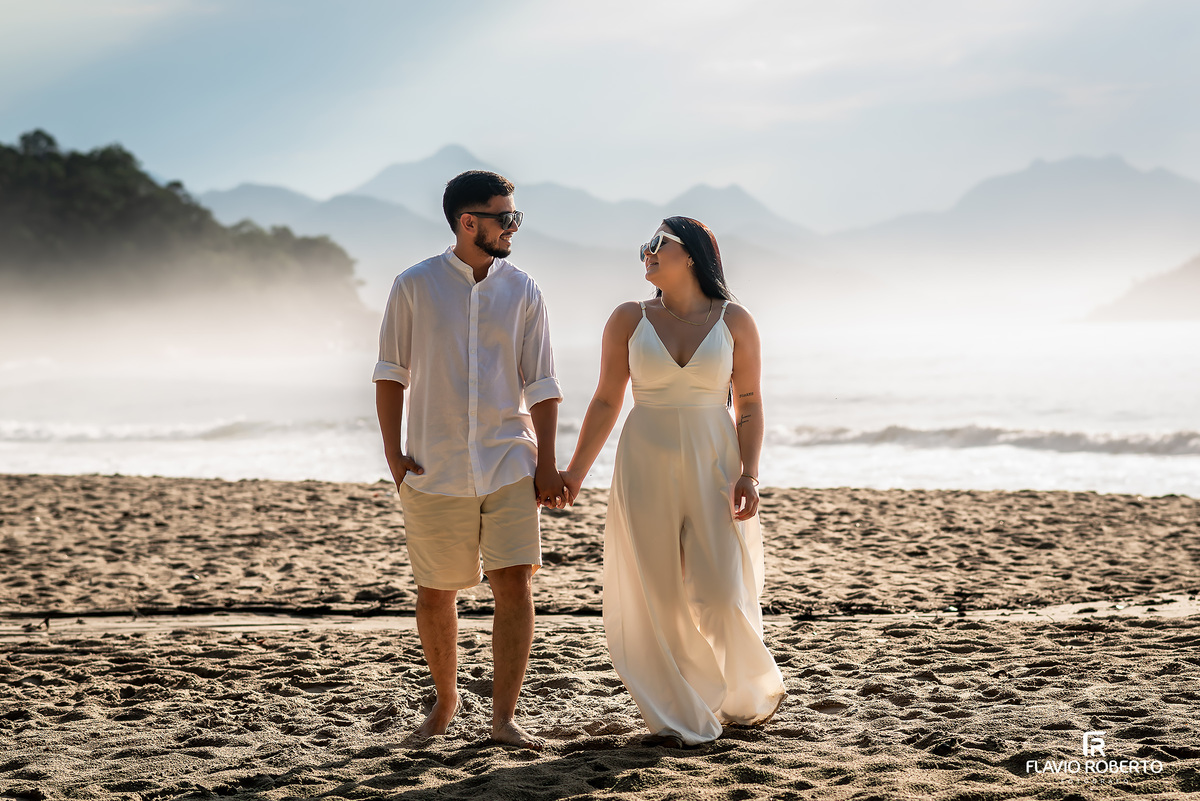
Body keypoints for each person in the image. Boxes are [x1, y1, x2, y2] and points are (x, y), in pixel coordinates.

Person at [560, 216, 785, 746]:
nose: (647, 253)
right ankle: (683, 708)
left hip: (716, 463)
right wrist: (574, 473)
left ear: (692, 255)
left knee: (721, 589)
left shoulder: (736, 320)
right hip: (645, 461)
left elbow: (748, 404)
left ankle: (743, 695)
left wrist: (750, 475)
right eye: (645, 246)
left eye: (658, 244)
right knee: (656, 591)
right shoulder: (627, 318)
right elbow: (606, 400)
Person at [374, 170, 567, 750]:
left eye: (516, 217)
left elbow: (543, 384)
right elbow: (390, 374)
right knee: (436, 590)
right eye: (505, 218)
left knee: (515, 583)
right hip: (434, 465)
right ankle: (447, 701)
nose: (513, 227)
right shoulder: (413, 285)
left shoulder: (524, 288)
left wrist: (548, 462)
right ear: (469, 222)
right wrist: (394, 454)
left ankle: (504, 718)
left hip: (510, 459)